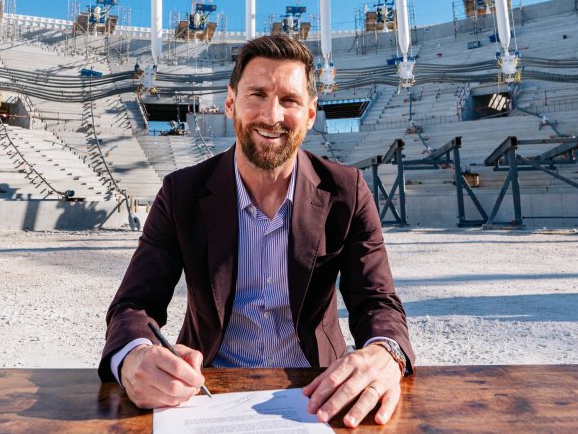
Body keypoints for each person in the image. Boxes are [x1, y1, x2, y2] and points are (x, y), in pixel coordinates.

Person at [100, 34, 413, 428]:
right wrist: (133, 355)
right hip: (204, 392)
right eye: (258, 95)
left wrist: (386, 353)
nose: (271, 115)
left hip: (315, 391)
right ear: (231, 103)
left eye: (289, 100)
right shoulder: (181, 193)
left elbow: (377, 302)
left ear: (310, 114)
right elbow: (134, 305)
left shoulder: (346, 191)